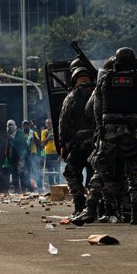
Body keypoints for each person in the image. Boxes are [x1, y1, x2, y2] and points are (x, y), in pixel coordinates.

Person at [73, 47, 137, 226]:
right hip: (131, 132)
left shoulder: (105, 79)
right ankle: (136, 213)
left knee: (100, 171)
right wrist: (136, 111)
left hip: (109, 132)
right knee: (133, 174)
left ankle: (90, 210)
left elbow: (94, 107)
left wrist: (101, 127)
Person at [58, 66, 96, 216]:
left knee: (71, 172)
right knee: (94, 176)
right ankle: (95, 206)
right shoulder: (98, 93)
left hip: (78, 144)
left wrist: (63, 145)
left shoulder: (72, 96)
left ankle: (80, 204)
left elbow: (64, 122)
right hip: (96, 143)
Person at [4, 119, 27, 193]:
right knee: (14, 174)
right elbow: (7, 146)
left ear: (15, 125)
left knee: (21, 172)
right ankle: (16, 188)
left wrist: (9, 138)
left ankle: (23, 189)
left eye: (12, 125)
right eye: (9, 125)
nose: (10, 127)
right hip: (12, 157)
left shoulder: (19, 132)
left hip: (20, 155)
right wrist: (7, 155)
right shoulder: (8, 134)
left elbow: (18, 141)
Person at [41, 118, 60, 188]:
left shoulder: (56, 131)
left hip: (56, 153)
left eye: (50, 123)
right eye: (48, 123)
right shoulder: (44, 132)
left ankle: (58, 184)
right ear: (46, 124)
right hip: (48, 153)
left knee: (57, 169)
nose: (49, 124)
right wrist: (48, 137)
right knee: (50, 170)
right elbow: (42, 144)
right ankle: (51, 185)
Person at [22, 120, 41, 192]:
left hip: (33, 154)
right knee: (27, 172)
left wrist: (33, 136)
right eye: (24, 125)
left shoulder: (33, 132)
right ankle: (29, 187)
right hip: (25, 155)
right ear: (22, 126)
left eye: (27, 125)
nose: (26, 126)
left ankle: (39, 187)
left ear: (29, 126)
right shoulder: (21, 134)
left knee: (36, 170)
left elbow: (39, 143)